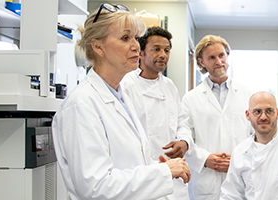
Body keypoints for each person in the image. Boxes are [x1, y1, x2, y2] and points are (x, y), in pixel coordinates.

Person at [52, 3, 190, 199]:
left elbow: (126, 165)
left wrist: (156, 167)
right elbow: (96, 187)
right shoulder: (81, 105)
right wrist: (164, 172)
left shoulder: (121, 96)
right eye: (125, 38)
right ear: (98, 47)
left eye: (135, 38)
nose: (135, 45)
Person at [120, 26, 191, 199]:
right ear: (141, 53)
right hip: (143, 173)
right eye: (156, 49)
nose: (163, 55)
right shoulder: (125, 85)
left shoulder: (169, 86)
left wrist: (184, 142)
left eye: (167, 50)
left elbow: (182, 122)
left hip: (173, 171)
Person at [182, 35, 254, 200]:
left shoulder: (247, 94)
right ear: (201, 62)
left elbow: (255, 136)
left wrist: (238, 159)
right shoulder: (190, 99)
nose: (218, 61)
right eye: (212, 57)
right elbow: (185, 138)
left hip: (239, 176)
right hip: (206, 181)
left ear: (227, 56)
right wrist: (205, 159)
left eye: (221, 55)